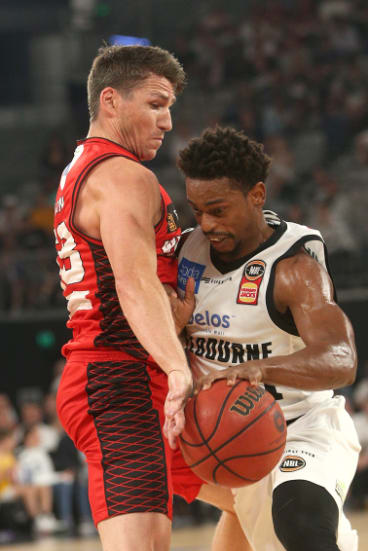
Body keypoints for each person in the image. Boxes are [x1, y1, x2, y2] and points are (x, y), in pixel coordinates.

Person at [53, 46, 245, 551]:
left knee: (253, 498)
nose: (167, 120)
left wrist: (171, 317)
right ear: (111, 101)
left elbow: (142, 282)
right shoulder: (122, 175)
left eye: (171, 107)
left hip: (138, 376)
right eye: (156, 104)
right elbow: (133, 285)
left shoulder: (89, 168)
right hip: (119, 382)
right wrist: (177, 365)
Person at [174, 125, 361, 551]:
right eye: (197, 210)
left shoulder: (295, 265)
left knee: (302, 523)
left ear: (257, 195)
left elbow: (341, 358)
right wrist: (176, 326)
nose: (206, 224)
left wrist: (258, 368)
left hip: (303, 428)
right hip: (224, 436)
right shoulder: (188, 254)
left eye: (218, 210)